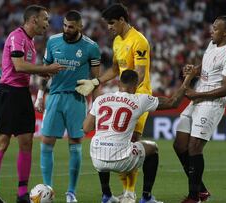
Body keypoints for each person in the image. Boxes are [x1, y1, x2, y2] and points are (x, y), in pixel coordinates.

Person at [0, 5, 65, 203]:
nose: (48, 23)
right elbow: (18, 66)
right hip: (8, 92)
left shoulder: (30, 41)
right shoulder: (17, 37)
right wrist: (43, 68)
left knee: (27, 142)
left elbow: (26, 69)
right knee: (2, 142)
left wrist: (41, 72)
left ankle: (22, 194)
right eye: (45, 19)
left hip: (21, 93)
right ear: (33, 20)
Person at [83, 69, 196, 203]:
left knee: (102, 141)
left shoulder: (101, 99)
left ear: (119, 82)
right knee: (152, 148)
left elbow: (86, 128)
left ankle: (106, 195)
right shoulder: (139, 100)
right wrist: (188, 79)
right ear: (136, 84)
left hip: (97, 158)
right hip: (122, 159)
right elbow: (173, 102)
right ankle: (146, 197)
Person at [75, 4, 151, 202]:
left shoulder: (139, 41)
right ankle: (126, 191)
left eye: (111, 23)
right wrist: (95, 81)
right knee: (119, 141)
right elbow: (116, 70)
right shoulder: (117, 41)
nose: (108, 27)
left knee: (132, 140)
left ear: (122, 20)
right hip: (124, 93)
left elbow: (140, 75)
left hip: (138, 95)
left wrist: (130, 97)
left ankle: (130, 193)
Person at [34, 10, 101, 203]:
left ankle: (71, 192)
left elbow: (96, 80)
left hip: (77, 99)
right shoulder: (53, 41)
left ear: (80, 26)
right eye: (64, 25)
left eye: (71, 26)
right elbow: (45, 71)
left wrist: (95, 107)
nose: (66, 29)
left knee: (75, 145)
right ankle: (48, 189)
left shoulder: (91, 47)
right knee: (46, 142)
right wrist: (40, 96)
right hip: (54, 97)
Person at [173, 16, 226, 203]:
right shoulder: (212, 45)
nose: (212, 31)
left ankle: (194, 196)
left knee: (194, 146)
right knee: (179, 145)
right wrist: (193, 70)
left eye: (216, 28)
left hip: (211, 103)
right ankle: (201, 189)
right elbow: (204, 68)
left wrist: (198, 95)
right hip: (197, 98)